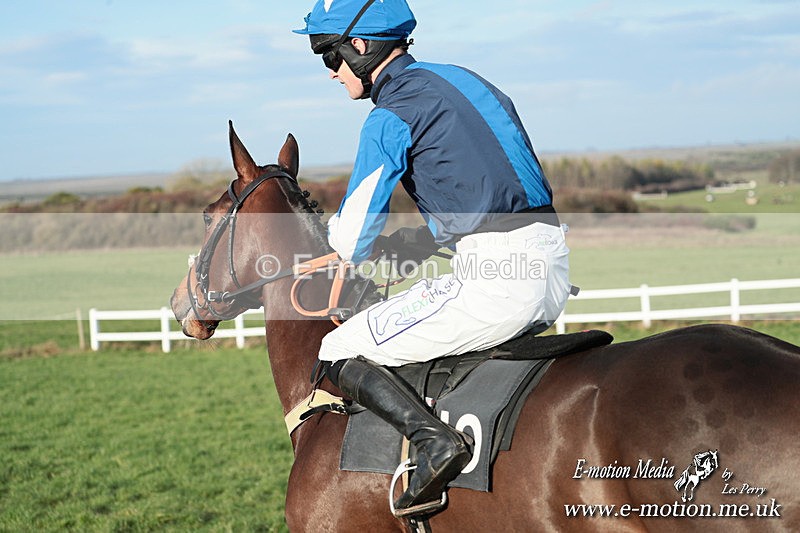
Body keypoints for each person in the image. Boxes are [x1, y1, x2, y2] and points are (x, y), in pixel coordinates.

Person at [294, 0, 571, 514]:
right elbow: (497, 185)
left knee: (336, 348)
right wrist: (416, 243)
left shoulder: (389, 115)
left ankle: (435, 445)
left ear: (359, 46)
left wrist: (326, 252)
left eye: (328, 55)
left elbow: (351, 239)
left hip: (494, 280)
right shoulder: (467, 81)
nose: (330, 72)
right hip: (550, 262)